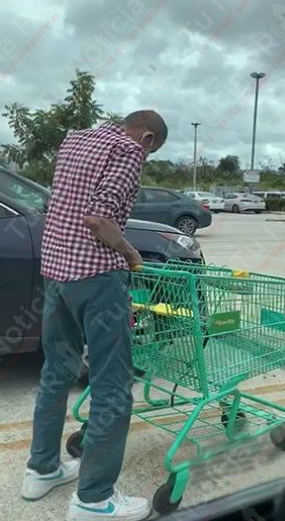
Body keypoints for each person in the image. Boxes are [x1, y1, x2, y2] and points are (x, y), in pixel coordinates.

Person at [21, 111, 167, 521]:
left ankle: (42, 469)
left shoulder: (74, 140)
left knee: (56, 371)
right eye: (151, 151)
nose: (146, 157)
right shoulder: (128, 149)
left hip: (56, 275)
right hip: (97, 278)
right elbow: (98, 219)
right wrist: (131, 254)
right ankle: (94, 499)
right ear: (148, 138)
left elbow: (69, 207)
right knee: (112, 386)